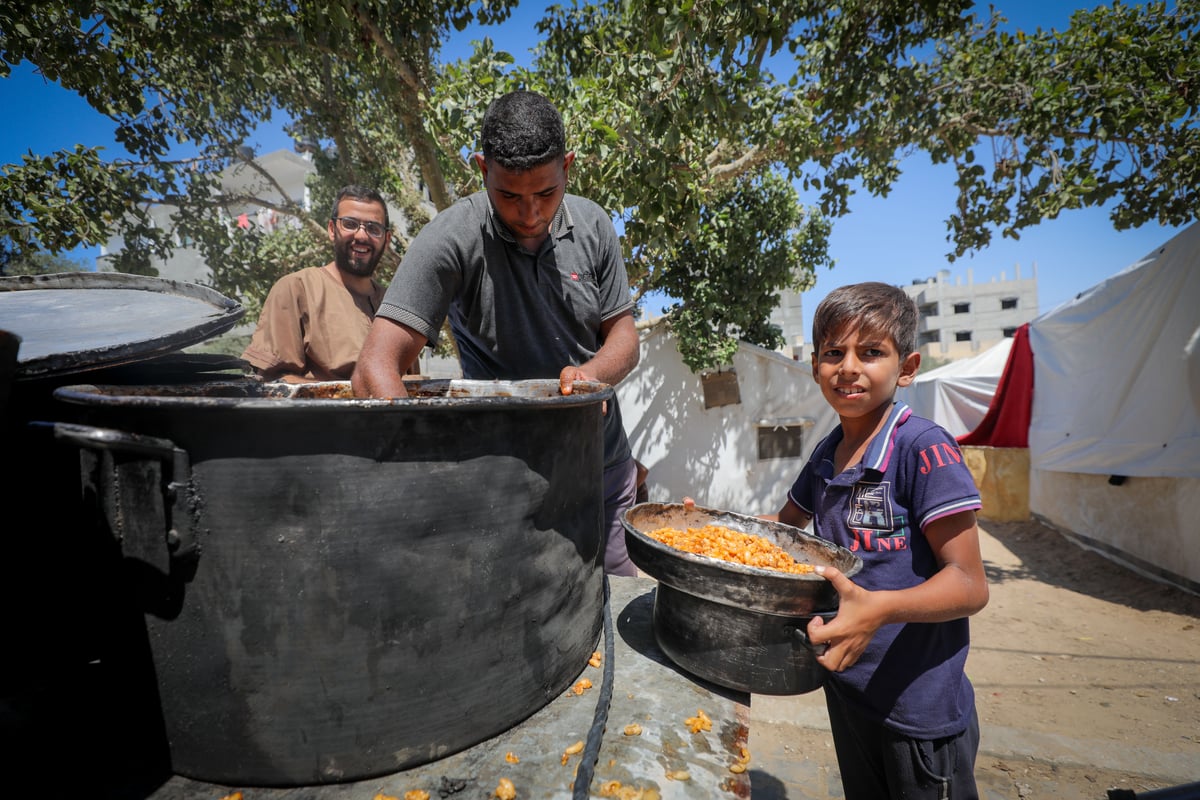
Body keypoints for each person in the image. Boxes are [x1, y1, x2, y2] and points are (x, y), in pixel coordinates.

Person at [352, 90, 641, 575]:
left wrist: (591, 376)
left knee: (614, 616)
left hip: (603, 470)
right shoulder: (450, 238)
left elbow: (625, 338)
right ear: (482, 169)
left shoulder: (595, 226)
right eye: (509, 195)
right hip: (504, 483)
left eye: (546, 193)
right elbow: (374, 367)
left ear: (567, 166)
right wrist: (423, 475)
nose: (530, 214)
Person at [775, 281, 990, 799]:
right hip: (849, 685)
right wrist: (710, 530)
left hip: (917, 709)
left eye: (870, 352)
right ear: (814, 366)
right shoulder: (828, 451)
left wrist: (878, 608)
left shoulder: (922, 448)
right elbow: (781, 532)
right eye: (833, 352)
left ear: (907, 367)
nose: (848, 367)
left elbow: (969, 584)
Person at [241, 185, 395, 383]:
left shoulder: (395, 304)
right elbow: (273, 384)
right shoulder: (297, 289)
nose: (362, 236)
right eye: (350, 224)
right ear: (332, 229)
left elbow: (411, 385)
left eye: (374, 229)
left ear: (387, 239)